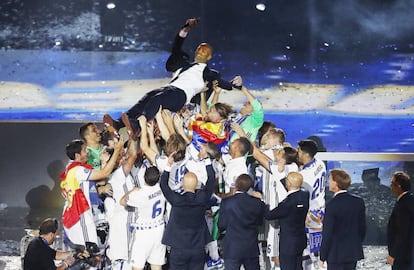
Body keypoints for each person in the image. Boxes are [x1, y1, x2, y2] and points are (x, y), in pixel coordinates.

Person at [103, 17, 238, 136]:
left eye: (205, 50)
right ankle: (118, 124)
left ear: (209, 57)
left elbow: (226, 84)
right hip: (169, 88)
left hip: (180, 96)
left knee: (157, 100)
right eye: (199, 48)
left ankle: (137, 126)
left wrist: (236, 83)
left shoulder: (210, 73)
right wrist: (186, 28)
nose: (200, 50)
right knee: (146, 99)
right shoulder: (184, 65)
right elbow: (176, 48)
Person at [60, 138, 123, 246]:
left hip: (77, 215)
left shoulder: (71, 169)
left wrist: (103, 162)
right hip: (80, 217)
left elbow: (100, 179)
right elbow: (105, 173)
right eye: (84, 150)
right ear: (77, 155)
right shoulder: (78, 171)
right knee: (90, 254)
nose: (88, 151)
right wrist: (117, 151)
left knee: (88, 254)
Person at [160, 152, 216, 270]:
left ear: (182, 184)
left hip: (178, 248)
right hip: (198, 248)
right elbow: (211, 180)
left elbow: (163, 185)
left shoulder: (177, 200)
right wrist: (206, 160)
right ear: (196, 185)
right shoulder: (202, 199)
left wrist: (168, 166)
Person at [120, 166, 167, 270]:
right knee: (156, 265)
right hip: (159, 230)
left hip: (144, 234)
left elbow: (122, 201)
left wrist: (132, 190)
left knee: (137, 266)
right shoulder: (162, 188)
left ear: (144, 177)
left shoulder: (140, 194)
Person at [319, 169, 366, 270]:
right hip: (352, 252)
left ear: (336, 183)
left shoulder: (332, 205)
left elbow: (327, 234)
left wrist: (322, 256)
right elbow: (362, 229)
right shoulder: (358, 202)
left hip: (335, 254)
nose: (328, 182)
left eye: (330, 179)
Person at [218, 174, 266, 270]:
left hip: (232, 247)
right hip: (251, 247)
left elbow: (221, 225)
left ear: (236, 185)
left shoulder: (227, 202)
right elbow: (260, 222)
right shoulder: (257, 203)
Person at [264, 172, 310, 270]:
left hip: (288, 244)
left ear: (288, 184)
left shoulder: (286, 204)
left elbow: (269, 215)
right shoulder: (305, 195)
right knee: (298, 266)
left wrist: (264, 204)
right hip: (300, 240)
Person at [297, 139, 326, 269]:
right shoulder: (320, 163)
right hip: (321, 210)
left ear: (304, 154)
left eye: (298, 151)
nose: (297, 153)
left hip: (310, 216)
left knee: (308, 251)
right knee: (317, 248)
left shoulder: (303, 175)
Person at [386, 171, 414, 270]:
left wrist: (394, 255)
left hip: (402, 258)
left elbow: (402, 232)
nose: (390, 186)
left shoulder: (403, 205)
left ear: (398, 186)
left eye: (392, 183)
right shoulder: (410, 200)